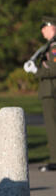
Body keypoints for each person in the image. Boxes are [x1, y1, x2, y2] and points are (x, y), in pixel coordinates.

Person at [24, 16, 56, 172]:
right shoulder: (49, 46)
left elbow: (54, 69)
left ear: (53, 28)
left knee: (52, 126)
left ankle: (55, 160)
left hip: (51, 90)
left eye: (45, 28)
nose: (42, 31)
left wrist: (37, 71)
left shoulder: (54, 46)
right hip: (49, 89)